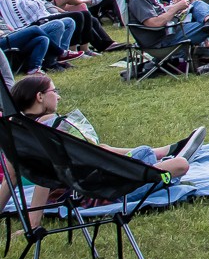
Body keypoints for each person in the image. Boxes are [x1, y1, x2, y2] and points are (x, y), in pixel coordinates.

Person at [5, 72, 197, 226]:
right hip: (104, 192)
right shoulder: (53, 129)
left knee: (138, 153)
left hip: (83, 189)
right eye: (54, 91)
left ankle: (160, 158)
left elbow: (11, 178)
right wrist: (33, 223)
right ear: (40, 97)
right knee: (174, 163)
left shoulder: (19, 135)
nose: (59, 96)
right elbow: (46, 178)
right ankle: (162, 160)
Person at [0, 0, 77, 72]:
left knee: (65, 23)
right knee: (55, 25)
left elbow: (39, 7)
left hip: (15, 33)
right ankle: (58, 56)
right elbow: (35, 8)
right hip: (17, 32)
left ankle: (43, 65)